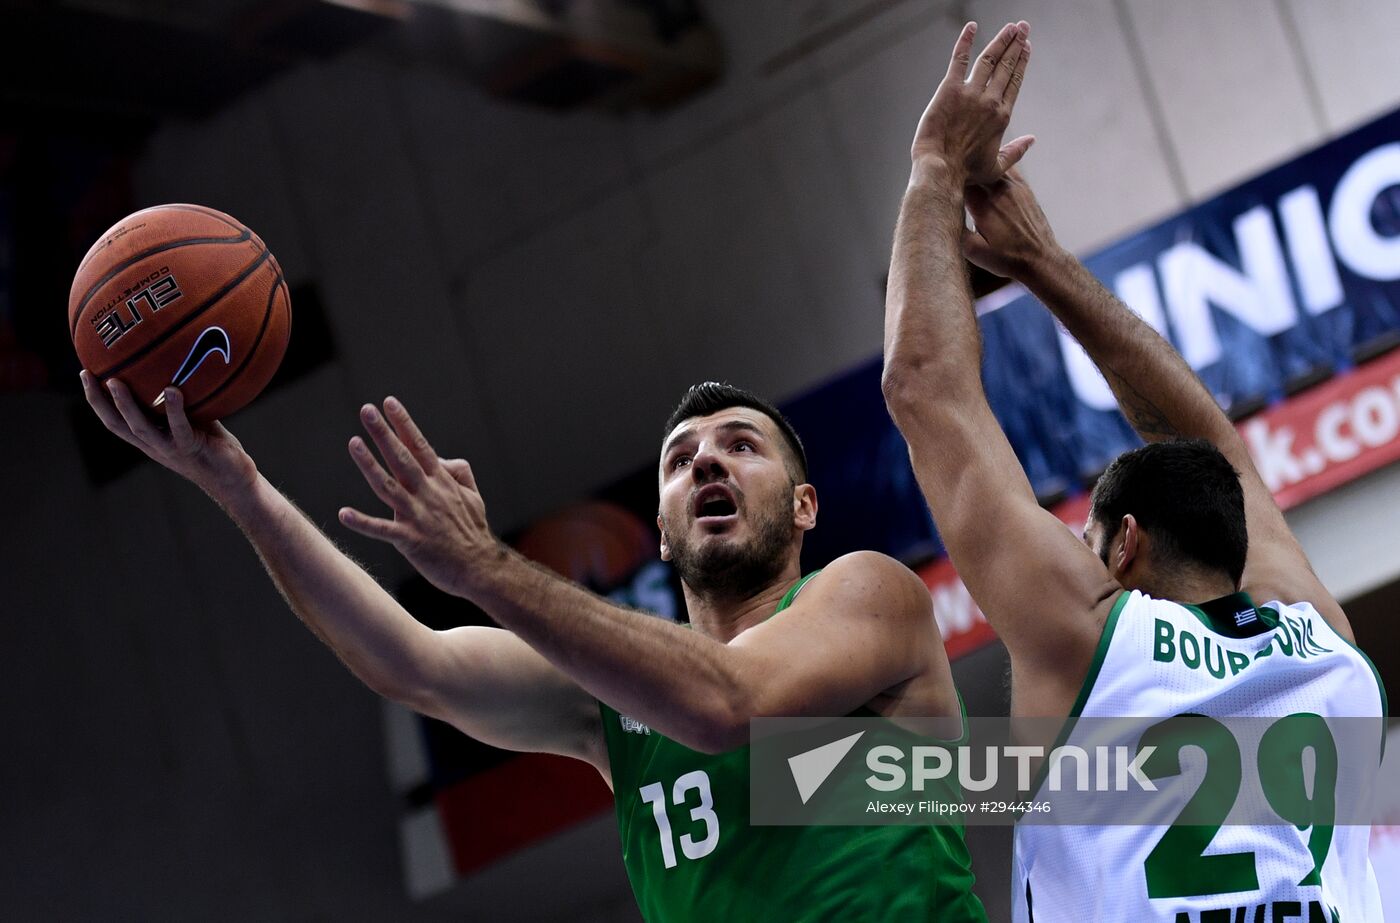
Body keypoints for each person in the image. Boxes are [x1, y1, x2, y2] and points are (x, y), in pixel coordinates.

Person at [82, 371, 987, 921]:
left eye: (741, 446)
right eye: (680, 459)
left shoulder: (870, 595)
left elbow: (727, 705)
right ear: (663, 535)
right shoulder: (616, 700)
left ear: (804, 506)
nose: (706, 462)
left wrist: (485, 565)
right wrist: (239, 491)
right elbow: (414, 664)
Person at [881, 20, 1384, 922]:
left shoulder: (1092, 644)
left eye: (1086, 537)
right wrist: (1045, 263)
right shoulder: (1327, 650)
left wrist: (933, 170)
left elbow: (925, 388)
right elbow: (1221, 457)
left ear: (1125, 544)